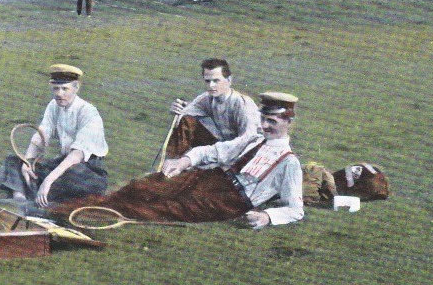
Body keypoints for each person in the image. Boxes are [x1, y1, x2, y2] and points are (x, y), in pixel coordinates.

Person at [54, 93, 304, 229]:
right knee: (142, 187)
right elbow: (214, 151)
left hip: (228, 201)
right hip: (209, 179)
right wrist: (184, 161)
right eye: (264, 119)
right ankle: (69, 206)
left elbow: (296, 209)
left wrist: (267, 217)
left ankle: (66, 214)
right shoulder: (253, 140)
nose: (265, 126)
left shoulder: (288, 163)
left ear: (288, 123)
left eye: (273, 121)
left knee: (160, 208)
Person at [0, 64, 109, 209]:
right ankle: (19, 198)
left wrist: (48, 180)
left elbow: (76, 155)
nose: (59, 93)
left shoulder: (89, 112)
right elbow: (41, 135)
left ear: (76, 88)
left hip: (87, 170)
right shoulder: (54, 105)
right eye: (56, 88)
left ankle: (36, 196)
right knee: (14, 161)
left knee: (66, 176)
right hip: (63, 163)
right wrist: (27, 161)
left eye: (65, 89)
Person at [159, 58, 261, 177]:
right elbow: (187, 111)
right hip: (223, 147)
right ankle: (170, 169)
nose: (211, 85)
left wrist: (201, 154)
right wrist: (177, 109)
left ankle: (177, 170)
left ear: (229, 80)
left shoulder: (242, 104)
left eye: (216, 80)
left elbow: (248, 139)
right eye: (208, 81)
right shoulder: (207, 98)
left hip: (246, 154)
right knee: (187, 121)